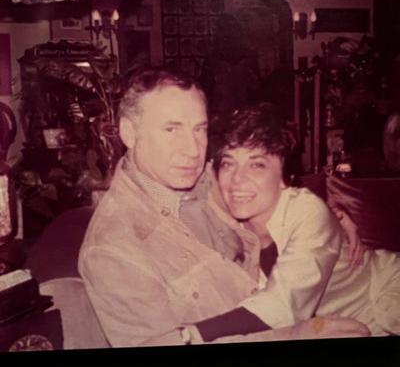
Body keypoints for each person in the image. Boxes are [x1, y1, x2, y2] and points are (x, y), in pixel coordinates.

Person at [78, 67, 370, 347]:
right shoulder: (113, 250)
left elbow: (263, 184)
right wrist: (293, 336)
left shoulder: (201, 178)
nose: (193, 150)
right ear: (129, 133)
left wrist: (333, 212)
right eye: (171, 130)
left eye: (199, 129)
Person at [188, 102, 400, 343]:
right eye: (228, 163)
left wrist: (190, 334)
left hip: (386, 299)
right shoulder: (226, 217)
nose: (237, 178)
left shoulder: (307, 211)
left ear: (284, 177)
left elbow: (280, 306)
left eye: (257, 165)